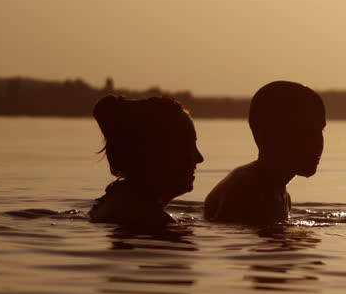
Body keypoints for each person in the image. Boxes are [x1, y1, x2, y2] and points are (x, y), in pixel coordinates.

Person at [204, 81, 325, 224]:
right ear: (267, 135)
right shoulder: (248, 191)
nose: (317, 143)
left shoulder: (275, 191)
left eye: (320, 131)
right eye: (305, 133)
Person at [89, 94, 204, 227]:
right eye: (188, 146)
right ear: (158, 153)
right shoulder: (152, 220)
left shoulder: (110, 204)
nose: (199, 158)